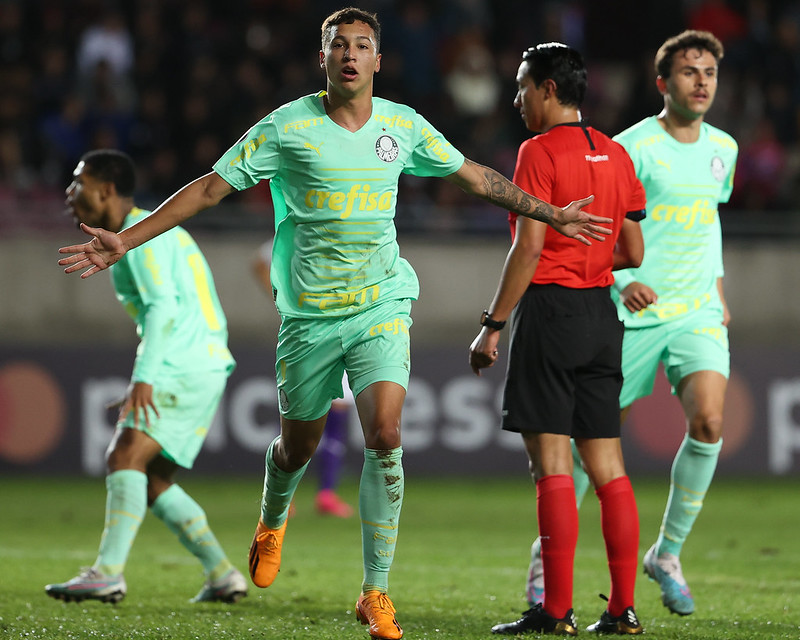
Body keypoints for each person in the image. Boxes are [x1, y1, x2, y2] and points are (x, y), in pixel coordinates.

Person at [57, 8, 614, 639]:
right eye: (338, 45)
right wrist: (126, 241)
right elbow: (213, 187)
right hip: (309, 317)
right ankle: (273, 516)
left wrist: (552, 213)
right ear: (322, 58)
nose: (350, 54)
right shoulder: (287, 126)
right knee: (300, 446)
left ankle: (375, 592)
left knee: (385, 432)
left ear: (378, 60)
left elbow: (477, 178)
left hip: (380, 305)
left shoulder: (401, 126)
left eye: (362, 45)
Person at [524, 29, 737, 618]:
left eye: (710, 73)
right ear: (663, 81)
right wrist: (621, 282)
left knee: (711, 420)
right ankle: (547, 564)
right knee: (594, 448)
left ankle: (666, 555)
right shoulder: (629, 146)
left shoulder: (725, 148)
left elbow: (707, 225)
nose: (702, 82)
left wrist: (717, 290)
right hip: (634, 311)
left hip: (696, 310)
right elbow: (596, 227)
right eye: (690, 72)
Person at [469, 43, 646, 636]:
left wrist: (493, 325)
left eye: (522, 86)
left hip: (550, 312)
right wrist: (593, 259)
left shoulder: (537, 151)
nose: (517, 98)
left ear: (547, 89)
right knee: (609, 468)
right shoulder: (616, 152)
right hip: (602, 315)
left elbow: (529, 248)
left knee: (551, 465)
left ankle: (556, 610)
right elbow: (634, 251)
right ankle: (622, 610)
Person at [46, 149, 246, 604]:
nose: (69, 192)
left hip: (185, 361)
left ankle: (108, 573)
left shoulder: (139, 235)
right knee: (153, 480)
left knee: (123, 456)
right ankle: (221, 574)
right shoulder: (150, 230)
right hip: (204, 360)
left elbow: (161, 307)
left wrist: (144, 379)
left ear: (106, 189)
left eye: (78, 181)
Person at [252, 240, 354, 518]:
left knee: (337, 411)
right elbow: (260, 262)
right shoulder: (299, 228)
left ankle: (326, 494)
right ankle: (286, 496)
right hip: (307, 333)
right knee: (297, 417)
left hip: (343, 332)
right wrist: (282, 301)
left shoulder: (345, 230)